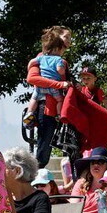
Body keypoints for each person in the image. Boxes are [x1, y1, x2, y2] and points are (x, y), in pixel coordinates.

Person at [25, 26, 73, 169]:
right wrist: (59, 84)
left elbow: (67, 81)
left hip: (60, 109)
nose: (69, 41)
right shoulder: (42, 57)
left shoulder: (62, 61)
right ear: (57, 38)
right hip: (46, 107)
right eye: (66, 37)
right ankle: (36, 172)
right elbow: (32, 78)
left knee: (57, 143)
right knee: (44, 144)